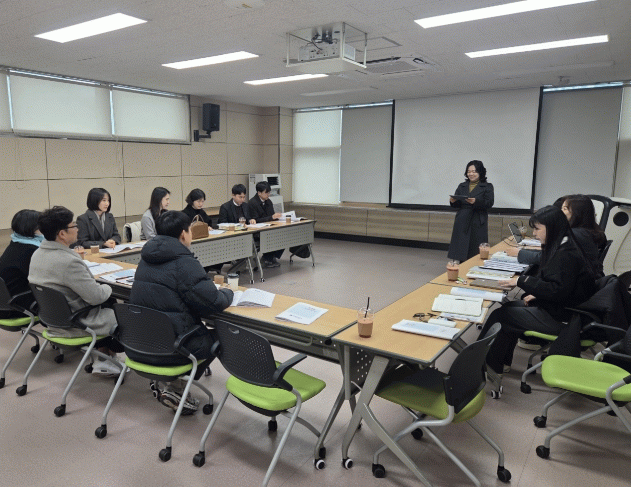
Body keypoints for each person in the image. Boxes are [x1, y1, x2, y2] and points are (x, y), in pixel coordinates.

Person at [478, 205, 598, 386]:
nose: (534, 233)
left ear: (552, 227)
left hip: (566, 319)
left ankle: (484, 364)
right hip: (567, 309)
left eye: (537, 229)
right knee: (508, 309)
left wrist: (522, 281)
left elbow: (557, 290)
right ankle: (499, 364)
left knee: (501, 316)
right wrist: (537, 294)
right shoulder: (566, 245)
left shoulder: (565, 254)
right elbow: (565, 287)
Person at [129, 210, 234, 413]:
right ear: (184, 234)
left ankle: (173, 385)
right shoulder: (184, 263)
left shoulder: (146, 258)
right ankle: (176, 388)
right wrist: (229, 292)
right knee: (220, 335)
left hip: (140, 342)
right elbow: (213, 302)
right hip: (171, 348)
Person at [28, 206, 121, 372]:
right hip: (75, 322)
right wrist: (108, 285)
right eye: (74, 225)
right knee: (123, 314)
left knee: (109, 303)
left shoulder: (37, 254)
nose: (77, 229)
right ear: (62, 234)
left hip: (52, 319)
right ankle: (107, 357)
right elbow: (96, 297)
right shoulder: (68, 261)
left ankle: (105, 357)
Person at [508, 195, 607, 276]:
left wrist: (520, 253)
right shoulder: (587, 231)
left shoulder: (574, 235)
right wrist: (524, 251)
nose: (560, 212)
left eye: (564, 209)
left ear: (577, 213)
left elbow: (548, 258)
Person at [448, 160, 494, 262]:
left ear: (480, 172)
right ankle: (461, 264)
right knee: (461, 244)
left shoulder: (487, 186)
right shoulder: (462, 185)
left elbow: (489, 203)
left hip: (477, 219)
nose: (471, 174)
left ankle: (475, 264)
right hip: (463, 218)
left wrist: (476, 202)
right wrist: (453, 201)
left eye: (474, 171)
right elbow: (457, 204)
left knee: (475, 245)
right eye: (469, 172)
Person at [0, 210, 42, 319]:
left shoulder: (15, 243)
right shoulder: (32, 251)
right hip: (19, 308)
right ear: (33, 228)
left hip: (5, 306)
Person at [248, 181, 283, 267]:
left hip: (268, 228)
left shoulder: (268, 202)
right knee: (274, 236)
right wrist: (271, 217)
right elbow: (256, 220)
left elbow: (271, 216)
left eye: (269, 192)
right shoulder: (252, 203)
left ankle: (271, 257)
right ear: (259, 193)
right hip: (257, 231)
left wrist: (275, 217)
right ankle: (267, 258)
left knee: (283, 234)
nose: (268, 195)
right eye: (266, 193)